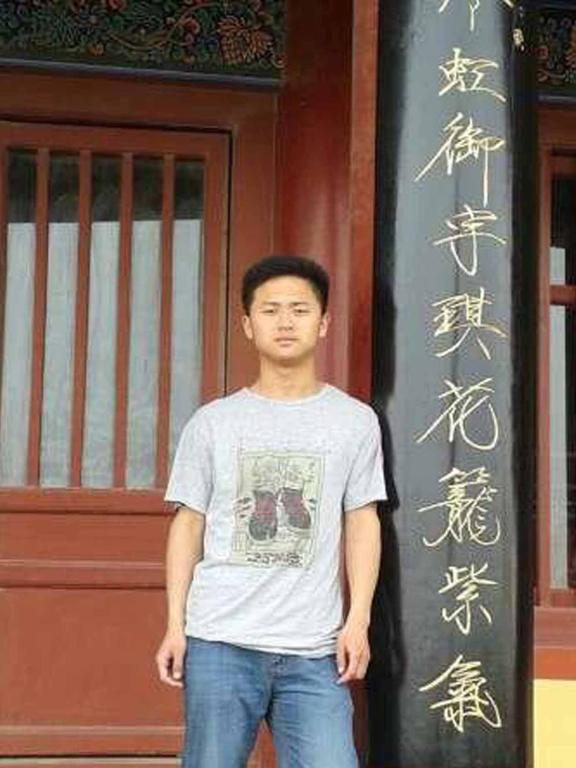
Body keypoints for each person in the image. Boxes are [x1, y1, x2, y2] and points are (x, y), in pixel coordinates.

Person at [155, 254, 387, 768]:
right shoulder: (213, 423)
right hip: (220, 641)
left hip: (314, 650)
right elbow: (188, 524)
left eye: (300, 310)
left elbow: (362, 521)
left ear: (323, 323)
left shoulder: (354, 422)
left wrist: (358, 621)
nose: (285, 322)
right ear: (247, 324)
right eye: (270, 310)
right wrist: (175, 623)